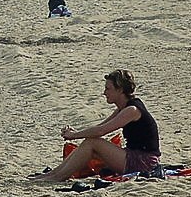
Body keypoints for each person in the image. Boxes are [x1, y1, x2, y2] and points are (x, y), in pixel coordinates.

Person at [29, 69, 161, 181]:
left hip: (144, 161)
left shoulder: (132, 110)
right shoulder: (123, 108)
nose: (104, 93)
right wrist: (77, 132)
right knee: (90, 142)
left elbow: (101, 131)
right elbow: (100, 127)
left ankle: (56, 177)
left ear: (120, 90)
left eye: (108, 89)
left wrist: (74, 136)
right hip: (133, 155)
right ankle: (52, 174)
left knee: (92, 143)